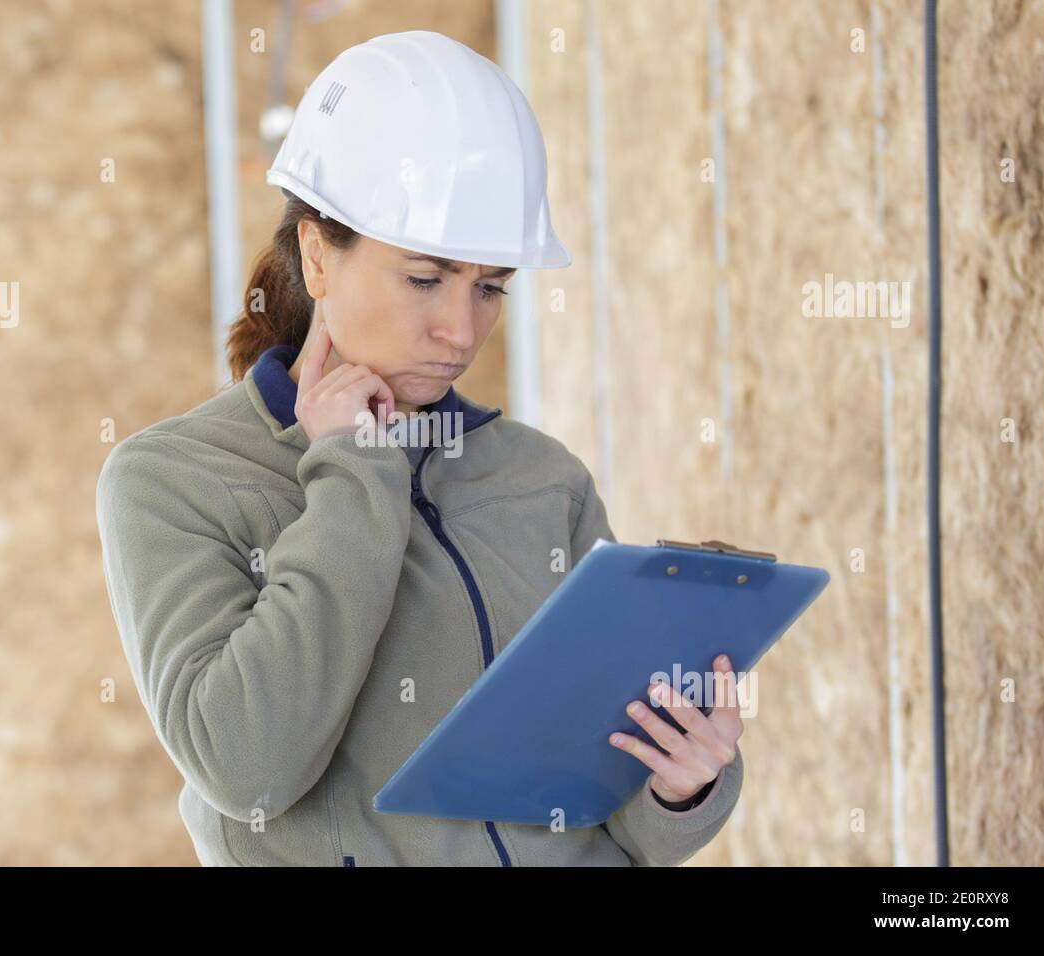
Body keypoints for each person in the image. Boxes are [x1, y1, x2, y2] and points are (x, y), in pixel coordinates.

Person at [96, 30, 744, 866]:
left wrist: (679, 784)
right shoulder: (175, 482)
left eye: (491, 289)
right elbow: (247, 769)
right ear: (318, 255)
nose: (460, 330)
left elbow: (613, 813)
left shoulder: (544, 481)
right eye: (426, 278)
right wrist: (354, 476)